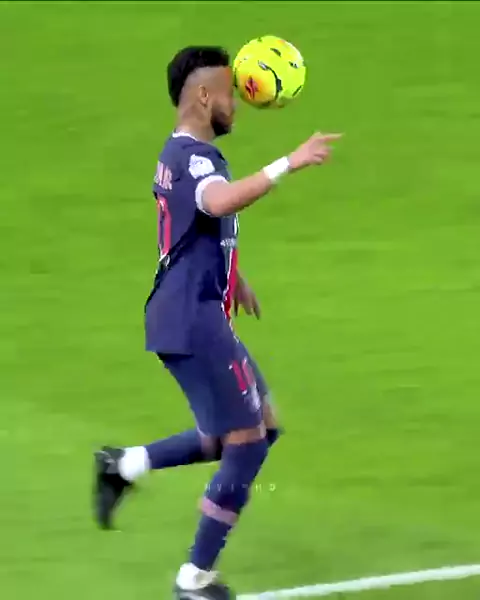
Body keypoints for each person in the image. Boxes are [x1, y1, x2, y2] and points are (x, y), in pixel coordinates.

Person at [93, 45, 341, 599]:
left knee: (261, 426)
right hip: (191, 319)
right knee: (246, 443)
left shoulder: (178, 153)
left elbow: (188, 230)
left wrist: (234, 276)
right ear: (204, 96)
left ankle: (125, 465)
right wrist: (290, 162)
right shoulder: (196, 159)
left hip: (191, 312)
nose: (237, 103)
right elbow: (219, 202)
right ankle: (194, 578)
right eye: (230, 93)